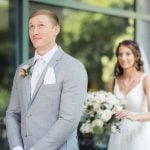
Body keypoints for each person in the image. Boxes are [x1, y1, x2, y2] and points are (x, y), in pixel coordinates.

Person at [6, 9, 88, 150]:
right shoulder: (23, 68)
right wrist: (17, 147)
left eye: (41, 25)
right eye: (31, 26)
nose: (35, 31)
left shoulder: (73, 67)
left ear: (56, 29)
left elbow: (69, 119)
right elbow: (12, 113)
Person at [107, 40, 150, 150]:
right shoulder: (113, 82)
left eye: (127, 54)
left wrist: (135, 117)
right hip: (118, 135)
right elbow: (108, 108)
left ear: (136, 56)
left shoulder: (146, 80)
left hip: (140, 134)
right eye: (120, 54)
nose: (123, 58)